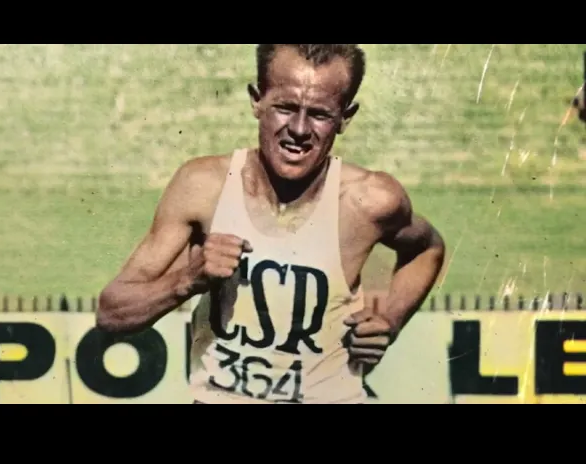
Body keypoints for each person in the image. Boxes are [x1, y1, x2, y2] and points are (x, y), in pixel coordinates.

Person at [97, 44, 446, 404]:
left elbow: (428, 249)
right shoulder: (203, 186)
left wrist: (391, 320)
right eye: (285, 107)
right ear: (256, 100)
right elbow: (111, 313)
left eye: (320, 114)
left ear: (345, 117)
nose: (299, 129)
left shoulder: (370, 199)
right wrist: (188, 279)